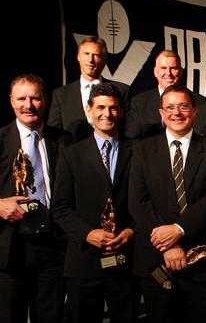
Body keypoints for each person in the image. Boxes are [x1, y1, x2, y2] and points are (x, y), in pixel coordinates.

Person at [128, 86, 206, 323]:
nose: (177, 112)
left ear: (195, 111)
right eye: (170, 107)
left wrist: (178, 230)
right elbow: (137, 202)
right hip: (156, 260)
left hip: (202, 261)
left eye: (184, 106)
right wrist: (167, 244)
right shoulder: (142, 149)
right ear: (161, 113)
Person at [52, 83, 138, 323]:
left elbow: (146, 201)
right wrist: (87, 233)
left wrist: (131, 231)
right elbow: (60, 208)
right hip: (83, 262)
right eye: (100, 107)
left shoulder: (138, 150)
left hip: (125, 261)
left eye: (113, 108)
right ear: (89, 110)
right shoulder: (71, 154)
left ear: (121, 112)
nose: (107, 114)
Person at [0, 74, 69, 323]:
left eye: (35, 98)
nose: (28, 105)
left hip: (53, 247)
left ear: (46, 100)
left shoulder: (63, 141)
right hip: (10, 249)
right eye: (21, 98)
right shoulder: (0, 139)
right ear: (11, 101)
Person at [48, 36, 129, 142]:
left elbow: (127, 128)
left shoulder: (122, 90)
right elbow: (53, 132)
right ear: (78, 57)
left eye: (96, 55)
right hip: (73, 154)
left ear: (104, 60)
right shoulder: (61, 94)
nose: (90, 60)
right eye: (86, 54)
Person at [125, 50, 206, 139]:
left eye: (173, 68)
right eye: (163, 68)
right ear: (155, 72)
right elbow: (131, 140)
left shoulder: (200, 102)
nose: (168, 73)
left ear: (181, 71)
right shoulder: (139, 103)